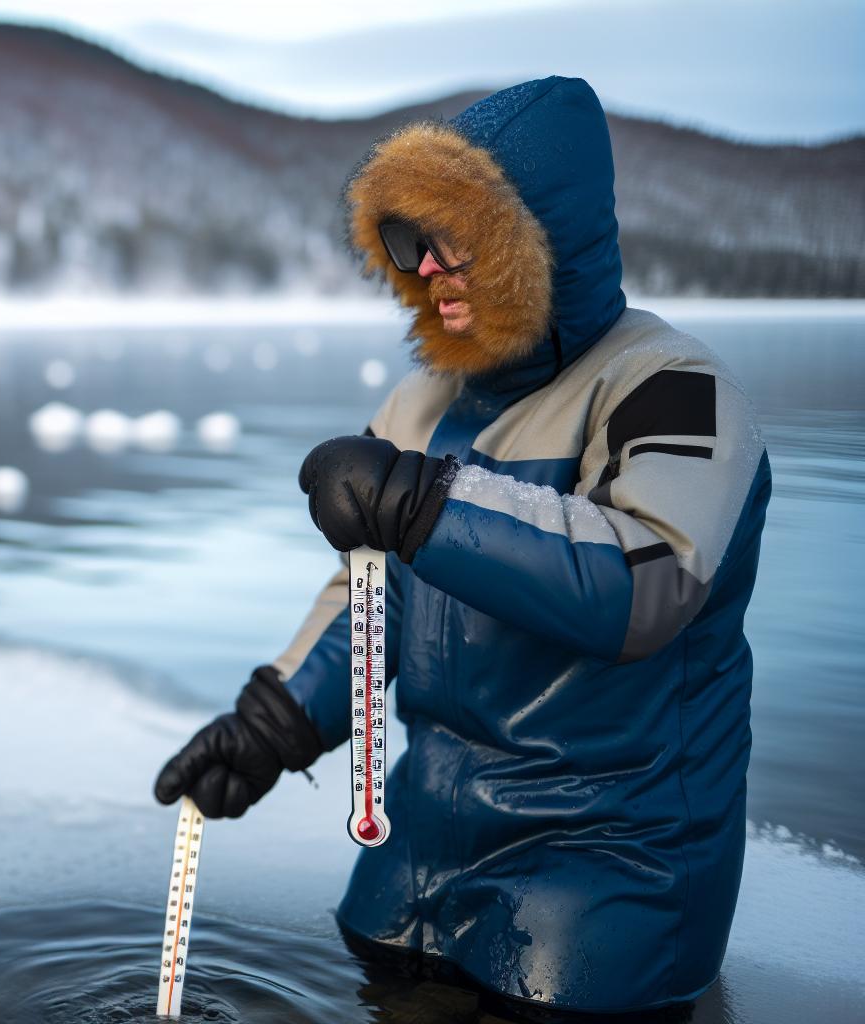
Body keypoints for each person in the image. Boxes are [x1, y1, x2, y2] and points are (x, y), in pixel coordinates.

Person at [155, 77, 770, 1018]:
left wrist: (421, 504)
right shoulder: (420, 407)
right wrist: (271, 728)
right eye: (409, 244)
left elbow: (647, 583)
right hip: (429, 832)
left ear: (540, 243)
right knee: (371, 943)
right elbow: (374, 603)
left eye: (454, 240)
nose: (430, 268)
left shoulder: (673, 388)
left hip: (614, 851)